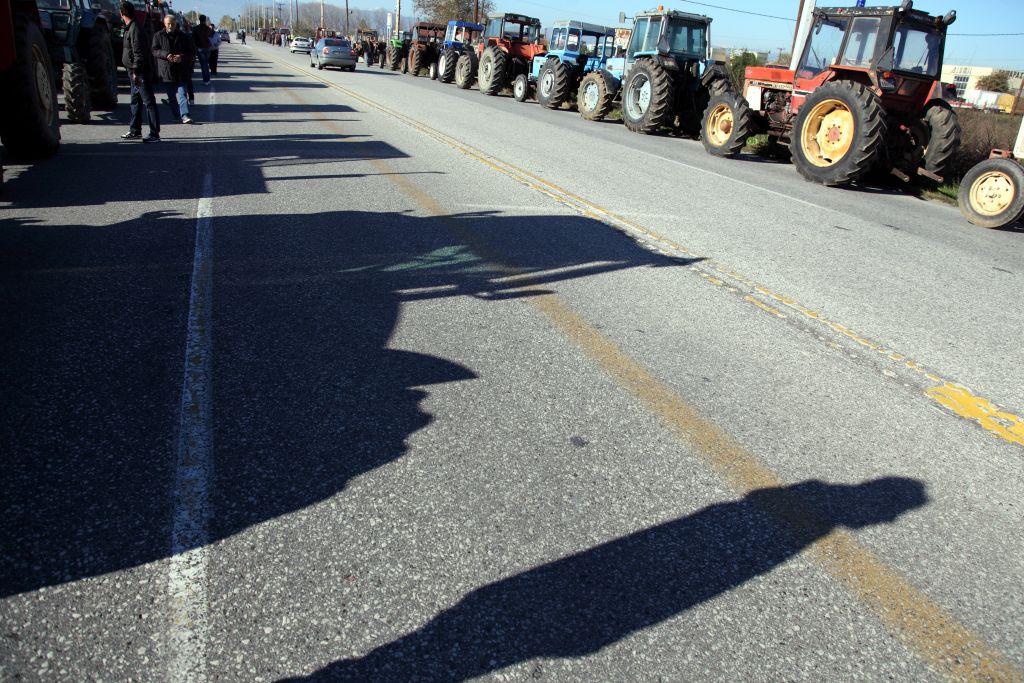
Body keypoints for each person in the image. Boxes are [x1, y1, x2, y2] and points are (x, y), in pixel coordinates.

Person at [119, 1, 160, 142]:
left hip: (140, 72)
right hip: (133, 71)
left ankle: (154, 134)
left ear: (121, 13)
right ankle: (135, 130)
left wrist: (136, 72)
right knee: (135, 102)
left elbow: (139, 53)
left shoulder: (135, 29)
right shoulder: (130, 27)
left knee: (149, 102)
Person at [152, 14, 194, 124]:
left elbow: (191, 52)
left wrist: (181, 57)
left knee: (182, 94)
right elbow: (154, 51)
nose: (170, 26)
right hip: (167, 71)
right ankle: (176, 115)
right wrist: (166, 55)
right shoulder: (158, 36)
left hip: (181, 70)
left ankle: (185, 115)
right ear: (164, 24)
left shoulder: (183, 36)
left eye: (172, 24)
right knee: (171, 97)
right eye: (168, 24)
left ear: (176, 24)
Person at [192, 13, 212, 84]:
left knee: (203, 64)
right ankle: (207, 79)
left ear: (199, 20)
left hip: (200, 48)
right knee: (206, 64)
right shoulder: (208, 29)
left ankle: (206, 80)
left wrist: (195, 47)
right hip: (208, 48)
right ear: (205, 20)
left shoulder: (195, 29)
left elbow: (193, 39)